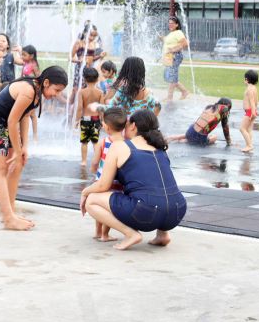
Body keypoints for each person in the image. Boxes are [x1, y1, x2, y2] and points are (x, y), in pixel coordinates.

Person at [81, 110, 186, 251]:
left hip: (146, 213)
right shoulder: (161, 147)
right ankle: (163, 234)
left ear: (133, 126)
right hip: (177, 210)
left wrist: (85, 192)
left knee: (92, 200)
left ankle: (131, 234)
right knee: (159, 190)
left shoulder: (119, 146)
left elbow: (103, 185)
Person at [0, 66, 68, 230]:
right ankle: (8, 218)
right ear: (46, 82)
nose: (57, 95)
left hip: (6, 123)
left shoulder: (37, 91)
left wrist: (24, 146)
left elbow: (24, 117)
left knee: (16, 166)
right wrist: (17, 151)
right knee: (1, 170)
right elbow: (13, 120)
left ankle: (10, 212)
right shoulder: (29, 90)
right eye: (57, 90)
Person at [88, 106, 127, 242]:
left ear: (106, 127)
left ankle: (98, 232)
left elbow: (94, 162)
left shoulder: (102, 142)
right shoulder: (126, 144)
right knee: (109, 209)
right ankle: (105, 234)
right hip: (116, 183)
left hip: (100, 181)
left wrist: (94, 171)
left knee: (98, 206)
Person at [70, 23, 105, 107]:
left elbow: (92, 59)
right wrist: (79, 61)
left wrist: (100, 56)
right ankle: (72, 108)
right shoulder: (79, 43)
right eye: (91, 35)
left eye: (94, 36)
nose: (92, 38)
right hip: (80, 69)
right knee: (77, 90)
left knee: (86, 90)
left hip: (89, 70)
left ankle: (80, 108)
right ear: (85, 33)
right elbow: (70, 58)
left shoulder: (93, 44)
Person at [76, 67, 104, 167]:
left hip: (85, 119)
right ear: (97, 79)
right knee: (95, 142)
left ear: (84, 79)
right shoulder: (100, 92)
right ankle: (97, 161)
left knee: (84, 142)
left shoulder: (81, 92)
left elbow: (79, 108)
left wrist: (76, 120)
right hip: (96, 119)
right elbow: (101, 108)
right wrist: (103, 121)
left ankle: (84, 161)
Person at [160, 16, 190, 101]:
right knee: (170, 77)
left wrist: (173, 49)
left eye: (172, 23)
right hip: (169, 57)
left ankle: (170, 97)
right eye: (169, 23)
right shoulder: (171, 33)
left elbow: (185, 43)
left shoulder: (178, 32)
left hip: (175, 56)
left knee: (172, 77)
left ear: (177, 24)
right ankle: (184, 91)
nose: (170, 25)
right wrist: (162, 38)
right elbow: (170, 43)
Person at [20, 45, 40, 143]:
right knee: (26, 113)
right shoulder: (25, 64)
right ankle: (24, 135)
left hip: (33, 91)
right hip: (24, 90)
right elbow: (21, 76)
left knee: (32, 114)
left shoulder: (34, 65)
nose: (22, 56)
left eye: (24, 55)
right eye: (21, 54)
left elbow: (39, 78)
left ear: (31, 56)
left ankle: (35, 136)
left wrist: (38, 93)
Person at [240, 70, 259, 152]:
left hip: (250, 112)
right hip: (252, 111)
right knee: (249, 130)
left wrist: (253, 112)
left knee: (242, 128)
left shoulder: (249, 89)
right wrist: (254, 110)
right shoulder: (254, 88)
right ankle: (249, 145)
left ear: (246, 79)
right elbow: (256, 101)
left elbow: (252, 101)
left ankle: (249, 145)